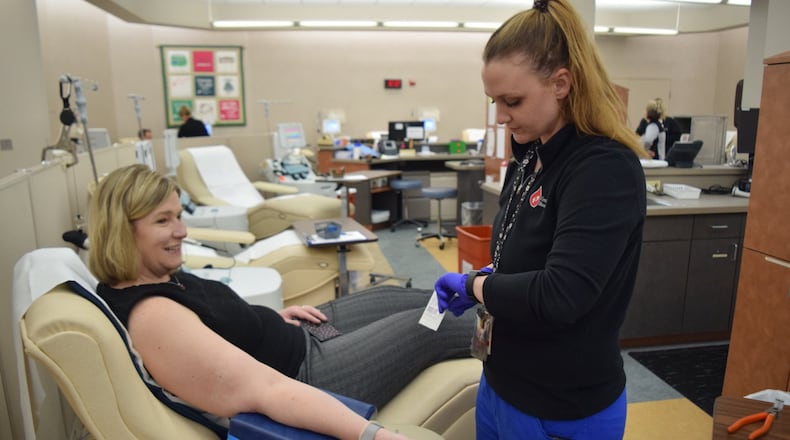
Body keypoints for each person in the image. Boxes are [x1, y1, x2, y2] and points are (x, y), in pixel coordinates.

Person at [87, 164, 475, 440]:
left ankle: (491, 300)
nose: (182, 230)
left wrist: (268, 318)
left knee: (404, 297)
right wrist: (372, 434)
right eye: (163, 221)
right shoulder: (153, 316)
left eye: (177, 216)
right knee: (433, 325)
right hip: (309, 374)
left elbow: (213, 325)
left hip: (301, 333)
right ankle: (508, 329)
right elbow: (265, 390)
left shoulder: (157, 274)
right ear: (122, 231)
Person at [433, 0, 648, 438]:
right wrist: (491, 275)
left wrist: (475, 286)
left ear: (561, 83)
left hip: (562, 404)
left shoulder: (603, 169)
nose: (500, 116)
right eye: (494, 101)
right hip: (501, 384)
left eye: (512, 101)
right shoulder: (530, 155)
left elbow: (560, 294)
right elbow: (525, 254)